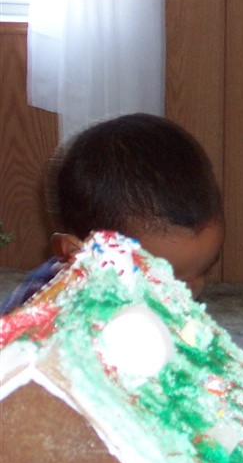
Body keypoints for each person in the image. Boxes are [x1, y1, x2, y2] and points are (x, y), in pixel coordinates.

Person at [0, 113, 224, 315]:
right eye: (165, 279)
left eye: (205, 270)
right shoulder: (41, 316)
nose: (191, 291)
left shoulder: (178, 287)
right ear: (78, 257)